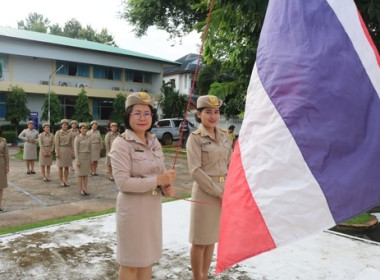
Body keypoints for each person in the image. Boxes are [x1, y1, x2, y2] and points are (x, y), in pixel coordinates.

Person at [109, 92, 176, 280]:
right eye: (137, 113)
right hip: (132, 210)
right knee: (130, 263)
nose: (142, 118)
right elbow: (123, 183)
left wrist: (166, 187)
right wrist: (157, 181)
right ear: (128, 116)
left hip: (152, 208)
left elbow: (161, 174)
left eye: (147, 114)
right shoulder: (121, 144)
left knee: (147, 260)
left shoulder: (154, 142)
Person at [186, 95, 232, 280]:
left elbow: (231, 164)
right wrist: (218, 192)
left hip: (224, 192)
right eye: (208, 112)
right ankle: (198, 276)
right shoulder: (195, 139)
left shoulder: (224, 137)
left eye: (216, 112)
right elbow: (195, 170)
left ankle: (205, 274)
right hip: (206, 192)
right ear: (199, 114)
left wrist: (229, 189)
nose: (213, 116)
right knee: (200, 240)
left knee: (212, 237)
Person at [74, 122, 91, 196]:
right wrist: (77, 160)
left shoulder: (88, 137)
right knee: (80, 175)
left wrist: (91, 159)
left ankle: (85, 189)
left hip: (87, 157)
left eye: (85, 128)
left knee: (86, 175)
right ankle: (81, 189)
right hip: (80, 157)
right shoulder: (77, 138)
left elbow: (90, 149)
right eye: (83, 128)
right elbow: (76, 150)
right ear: (80, 129)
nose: (84, 130)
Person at [55, 119, 72, 187]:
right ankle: (61, 181)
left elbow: (71, 143)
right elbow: (56, 143)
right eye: (64, 124)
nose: (65, 126)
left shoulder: (69, 133)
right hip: (61, 150)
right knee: (60, 167)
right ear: (61, 125)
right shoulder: (58, 133)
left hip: (68, 150)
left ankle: (66, 180)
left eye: (66, 124)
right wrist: (57, 152)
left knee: (67, 167)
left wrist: (72, 150)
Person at [0, 125, 9, 212]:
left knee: (1, 185)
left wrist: (7, 166)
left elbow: (6, 154)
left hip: (1, 163)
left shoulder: (3, 140)